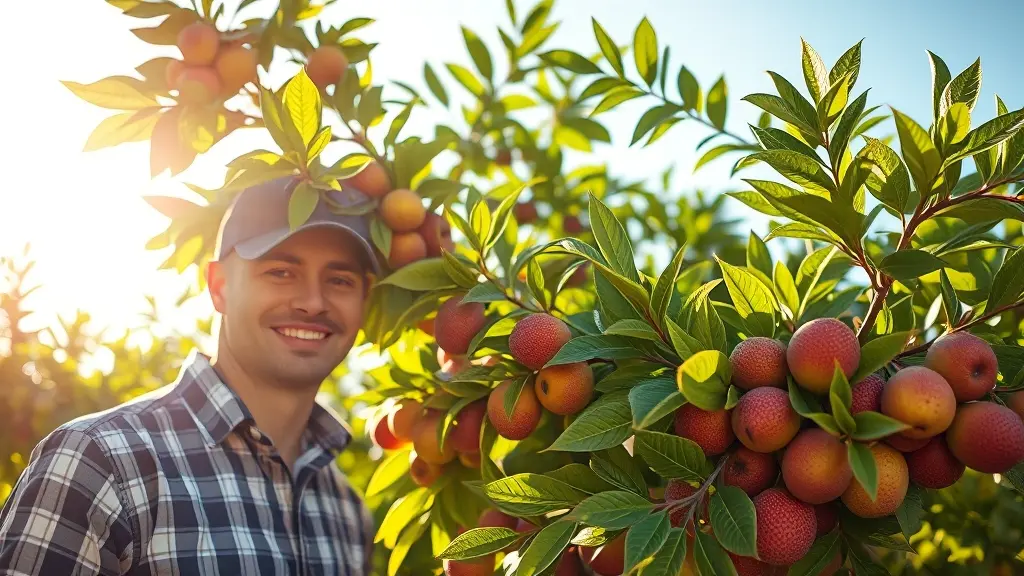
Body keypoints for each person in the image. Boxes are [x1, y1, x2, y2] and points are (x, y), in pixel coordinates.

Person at [0, 177, 380, 575]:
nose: (313, 302)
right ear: (218, 287)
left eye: (340, 280)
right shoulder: (99, 463)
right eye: (281, 272)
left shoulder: (346, 510)